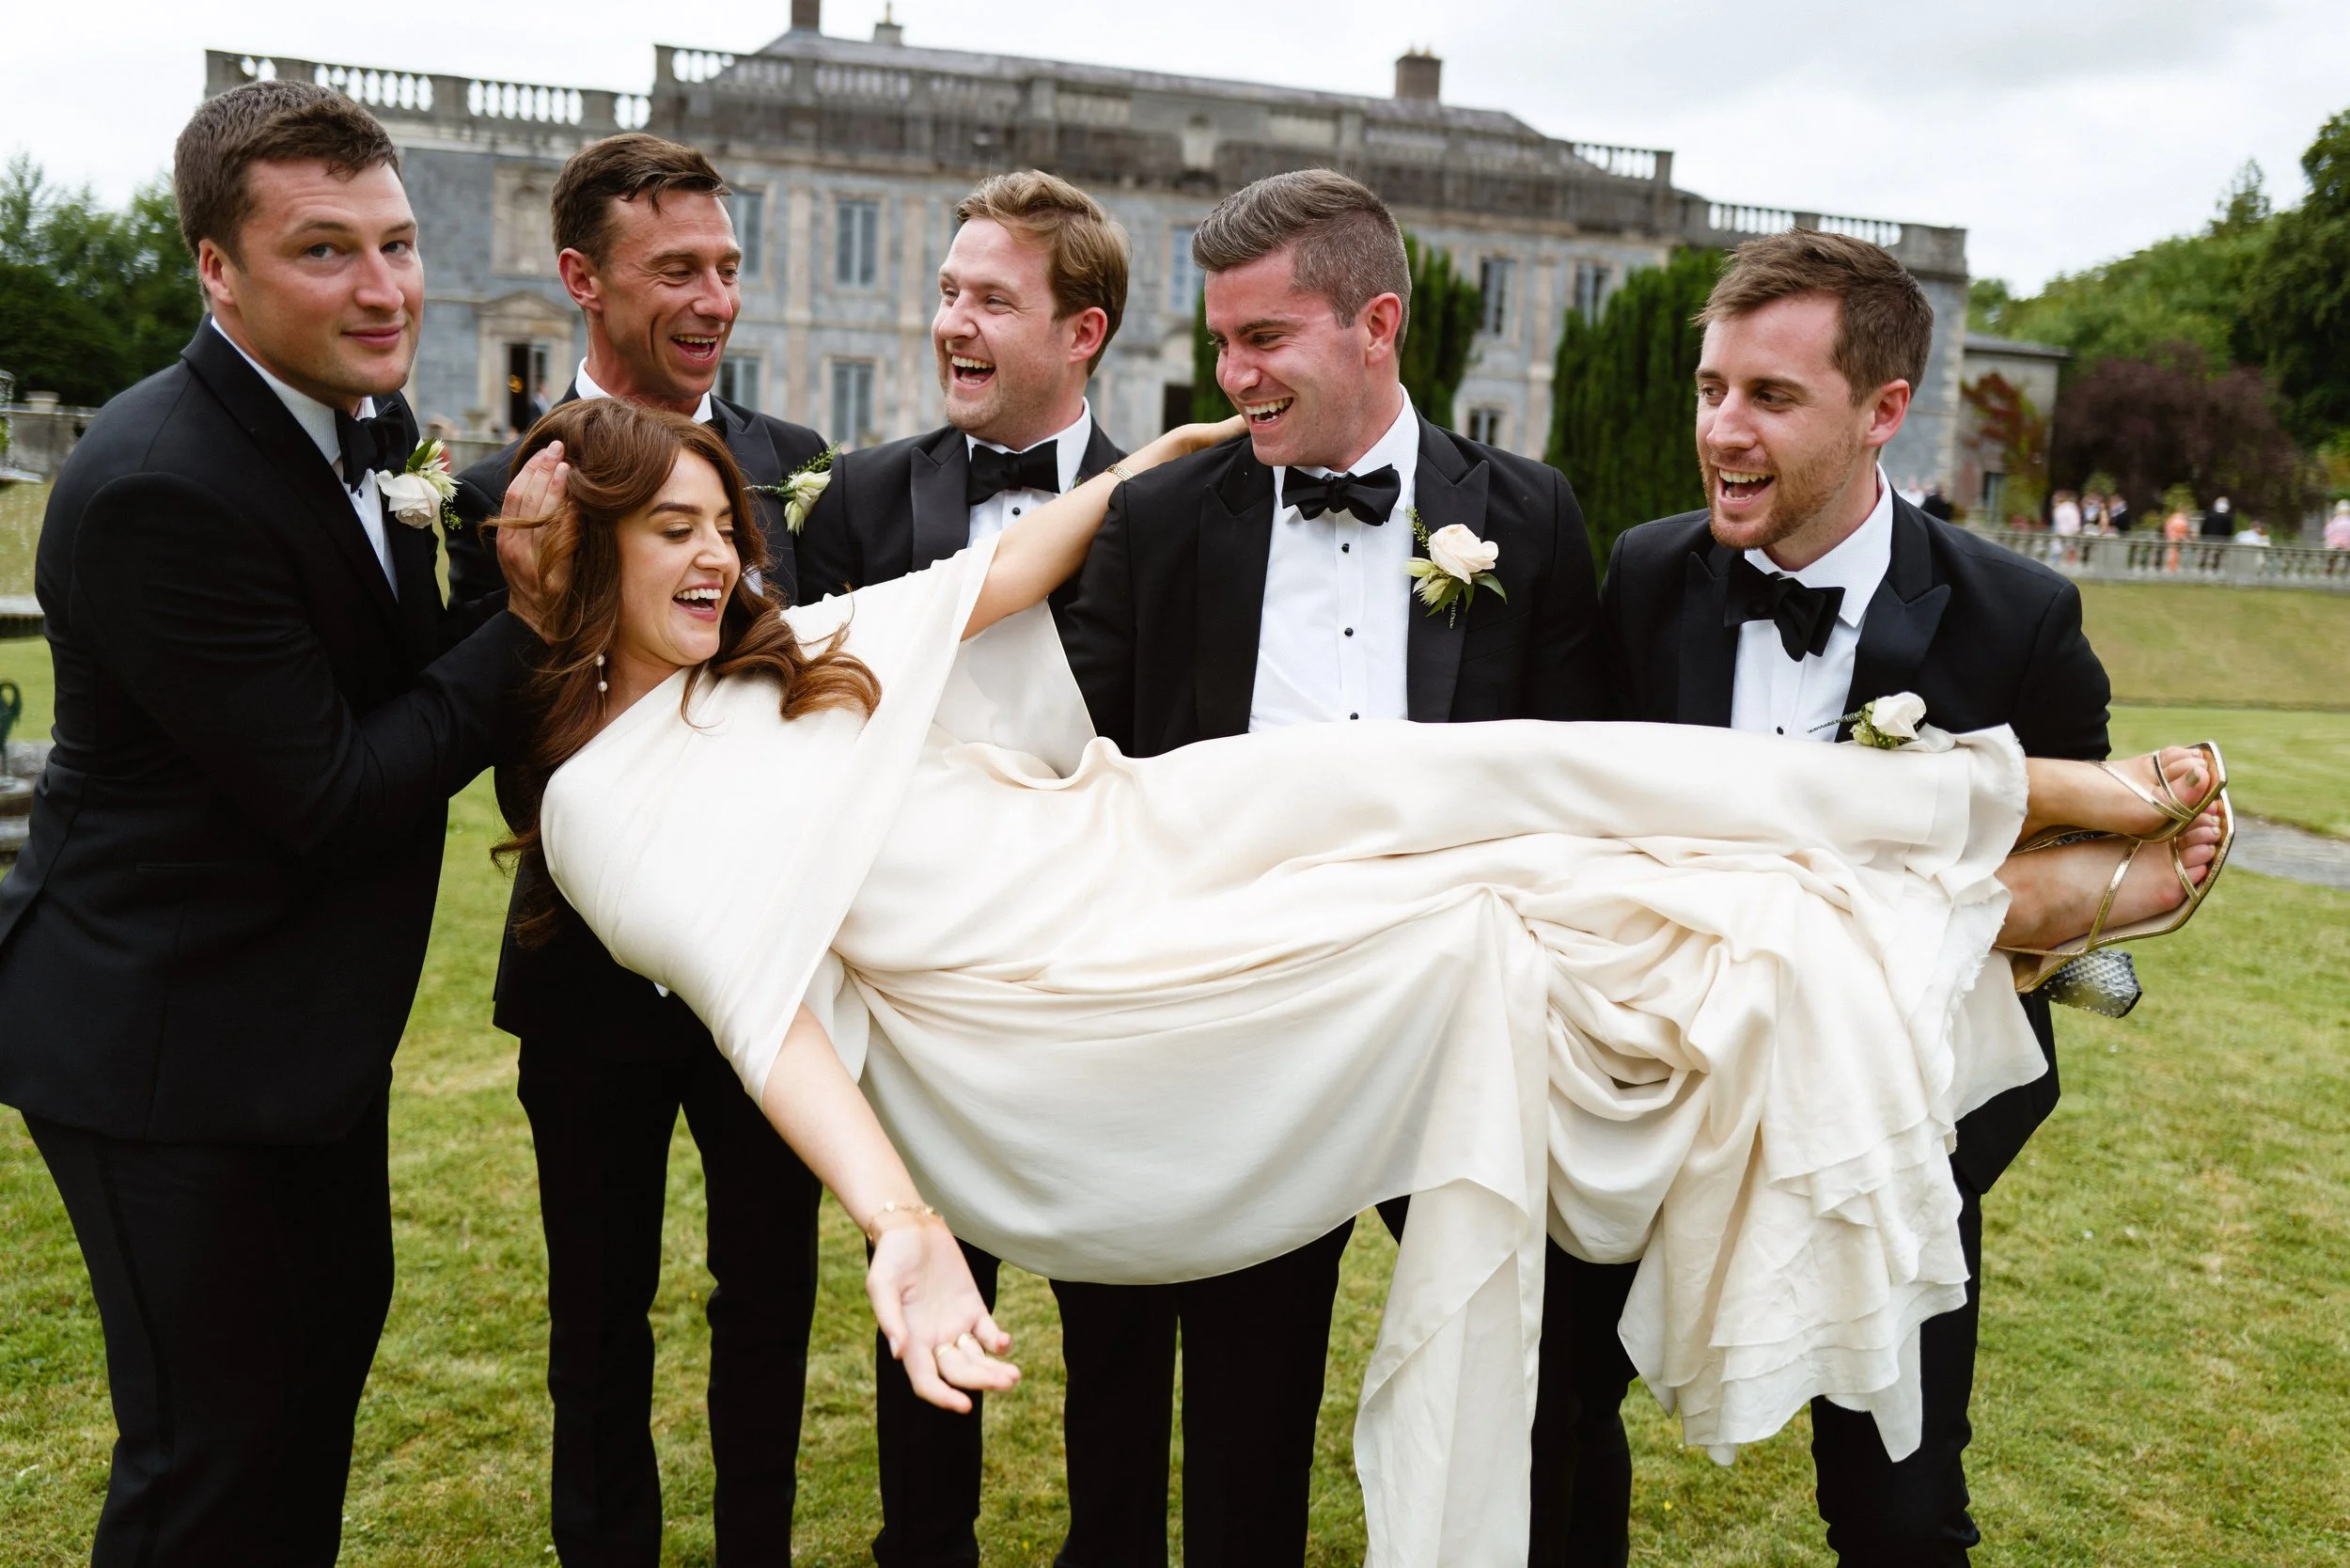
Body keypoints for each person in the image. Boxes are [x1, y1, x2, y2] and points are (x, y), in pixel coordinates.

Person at [503, 393, 2228, 1568]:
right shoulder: (603, 804)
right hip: (1095, 975)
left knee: (1521, 774)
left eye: (717, 521)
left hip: (1147, 826)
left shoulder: (794, 652)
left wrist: (1158, 458)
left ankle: (2038, 791)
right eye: (666, 532)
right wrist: (901, 1225)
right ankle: (2001, 909)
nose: (714, 557)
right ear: (580, 553)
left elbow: (1002, 575)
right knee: (1507, 911)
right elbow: (765, 1016)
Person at [0, 81, 549, 1561]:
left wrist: (512, 560)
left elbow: (404, 659)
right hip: (166, 1045)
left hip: (302, 1034)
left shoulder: (373, 421)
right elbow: (334, 790)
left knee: (311, 1404)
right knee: (209, 1459)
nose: (384, 288)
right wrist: (544, 616)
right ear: (215, 269)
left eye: (398, 242)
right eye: (326, 251)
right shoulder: (157, 486)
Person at [1058, 168, 1610, 1567]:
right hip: (1255, 1038)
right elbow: (1091, 772)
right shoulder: (1169, 524)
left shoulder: (1529, 519)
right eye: (1220, 343)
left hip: (1468, 1033)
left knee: (1534, 1387)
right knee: (1243, 1414)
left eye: (1264, 339)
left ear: (1377, 324)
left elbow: (1576, 785)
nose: (1232, 374)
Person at [1590, 229, 2124, 1566]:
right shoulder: (1646, 579)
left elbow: (2061, 922)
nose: (1723, 428)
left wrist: (1906, 1143)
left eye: (1770, 397)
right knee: (1548, 1430)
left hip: (1888, 1149)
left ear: (1886, 412)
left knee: (1897, 1513)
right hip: (1642, 1119)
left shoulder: (2020, 621)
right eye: (1712, 389)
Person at [445, 133, 832, 1568]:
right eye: (678, 269)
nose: (714, 297)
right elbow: (468, 723)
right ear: (580, 281)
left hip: (764, 973)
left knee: (773, 1301)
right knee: (594, 1315)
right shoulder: (491, 489)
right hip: (583, 971)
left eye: (728, 268)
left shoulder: (791, 470)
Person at [793, 166, 1130, 1568]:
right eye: (945, 291)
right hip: (921, 993)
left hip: (1111, 980)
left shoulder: (1164, 508)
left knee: (1124, 1304)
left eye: (991, 298)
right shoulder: (862, 497)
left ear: (1084, 333)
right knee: (926, 1277)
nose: (952, 323)